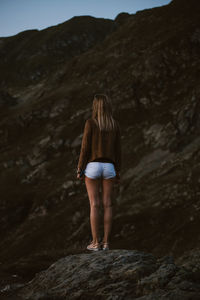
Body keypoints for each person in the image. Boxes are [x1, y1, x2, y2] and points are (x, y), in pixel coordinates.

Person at [76, 94, 121, 251]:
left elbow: (85, 148)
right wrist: (118, 171)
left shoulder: (91, 123)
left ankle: (95, 243)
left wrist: (80, 168)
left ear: (95, 107)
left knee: (94, 205)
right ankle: (106, 242)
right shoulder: (114, 124)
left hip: (93, 166)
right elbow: (118, 151)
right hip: (109, 167)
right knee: (108, 205)